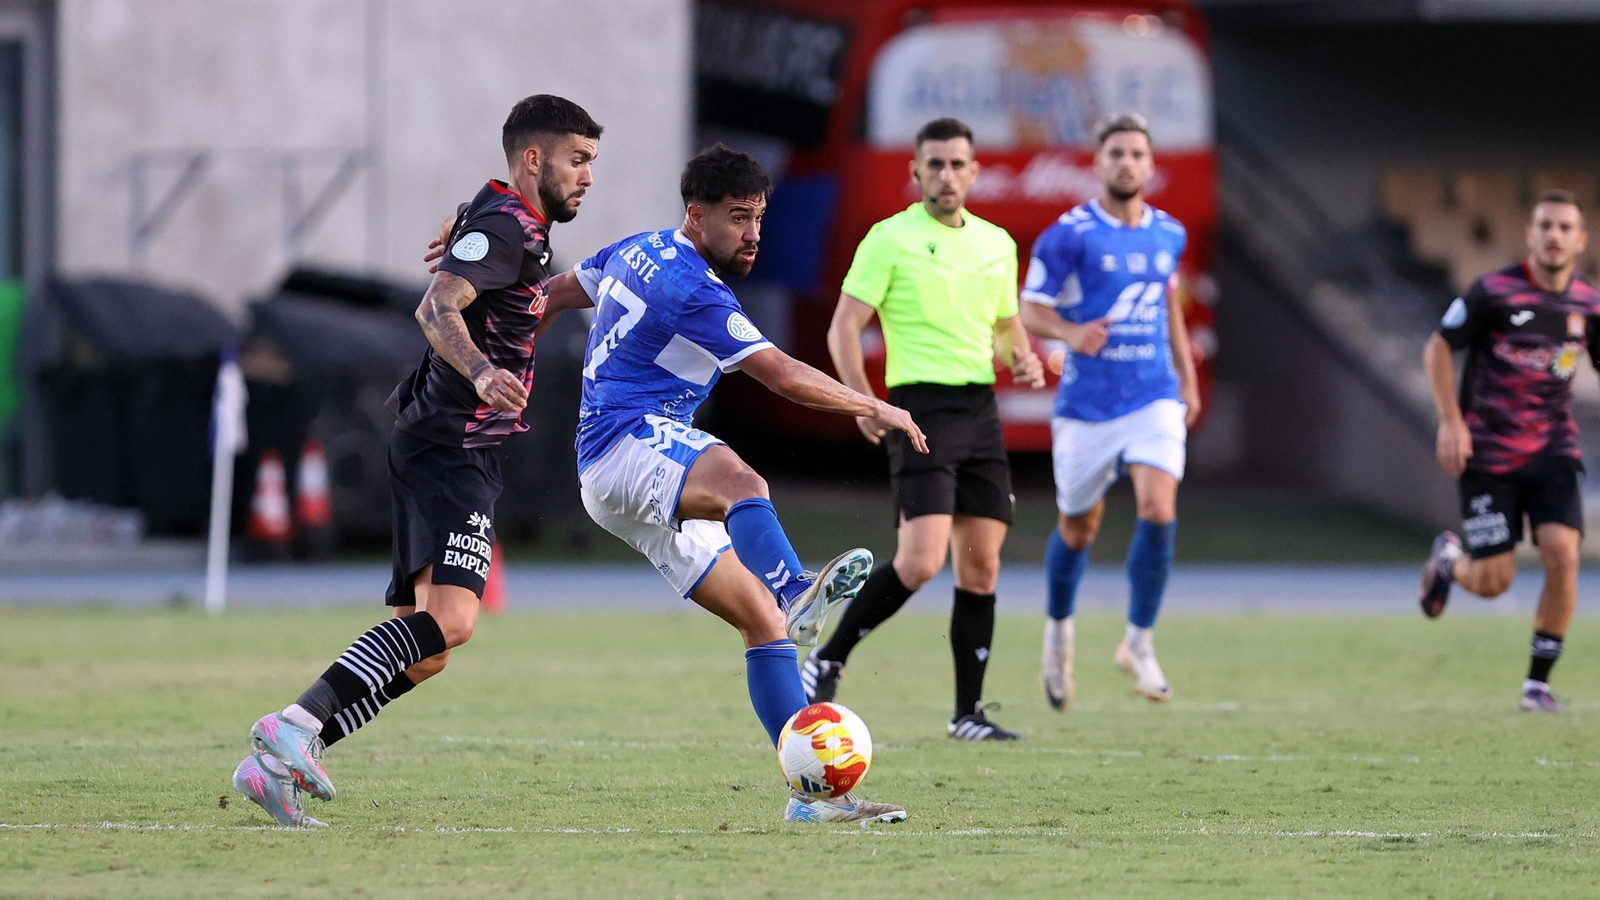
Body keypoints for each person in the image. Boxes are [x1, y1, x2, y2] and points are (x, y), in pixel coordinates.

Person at [230, 94, 603, 827]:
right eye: (577, 160)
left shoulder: (507, 220)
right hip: (450, 442)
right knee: (453, 622)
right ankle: (295, 725)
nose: (588, 177)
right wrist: (483, 372)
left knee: (424, 650)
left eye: (592, 162)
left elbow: (479, 254)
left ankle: (272, 768)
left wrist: (464, 229)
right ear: (534, 159)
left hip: (451, 444)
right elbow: (436, 308)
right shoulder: (505, 225)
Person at [541, 144, 925, 823]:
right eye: (739, 217)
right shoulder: (693, 288)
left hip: (615, 472)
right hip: (624, 444)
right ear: (698, 215)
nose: (753, 234)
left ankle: (818, 798)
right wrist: (875, 404)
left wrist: (497, 339)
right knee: (739, 477)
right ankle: (795, 585)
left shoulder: (638, 249)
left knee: (762, 625)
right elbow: (779, 374)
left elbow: (559, 291)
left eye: (760, 218)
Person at [802, 117, 1045, 742]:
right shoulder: (890, 238)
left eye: (957, 164)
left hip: (980, 414)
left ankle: (968, 714)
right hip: (920, 412)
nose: (946, 175)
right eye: (934, 164)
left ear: (974, 171)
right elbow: (842, 327)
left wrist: (1021, 352)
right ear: (915, 173)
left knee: (982, 567)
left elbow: (1004, 324)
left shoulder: (996, 243)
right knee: (921, 559)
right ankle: (828, 657)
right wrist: (861, 400)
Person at [1019, 113, 1201, 709]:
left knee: (1158, 505)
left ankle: (1139, 643)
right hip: (1088, 407)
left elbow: (1169, 306)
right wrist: (1070, 334)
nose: (1126, 162)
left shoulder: (1169, 233)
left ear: (1151, 166)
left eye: (1137, 154)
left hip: (1153, 396)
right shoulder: (1069, 234)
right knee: (1079, 526)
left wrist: (1187, 378)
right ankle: (1058, 633)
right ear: (1098, 163)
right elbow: (1030, 310)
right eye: (1116, 153)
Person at [1418, 189, 1598, 713]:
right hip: (1489, 452)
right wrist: (1451, 422)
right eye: (1545, 225)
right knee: (1495, 582)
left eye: (1565, 227)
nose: (1554, 235)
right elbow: (1437, 348)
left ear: (1580, 240)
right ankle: (1452, 560)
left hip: (1553, 448)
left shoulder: (1589, 305)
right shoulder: (1492, 292)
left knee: (1563, 554)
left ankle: (1536, 685)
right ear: (1530, 234)